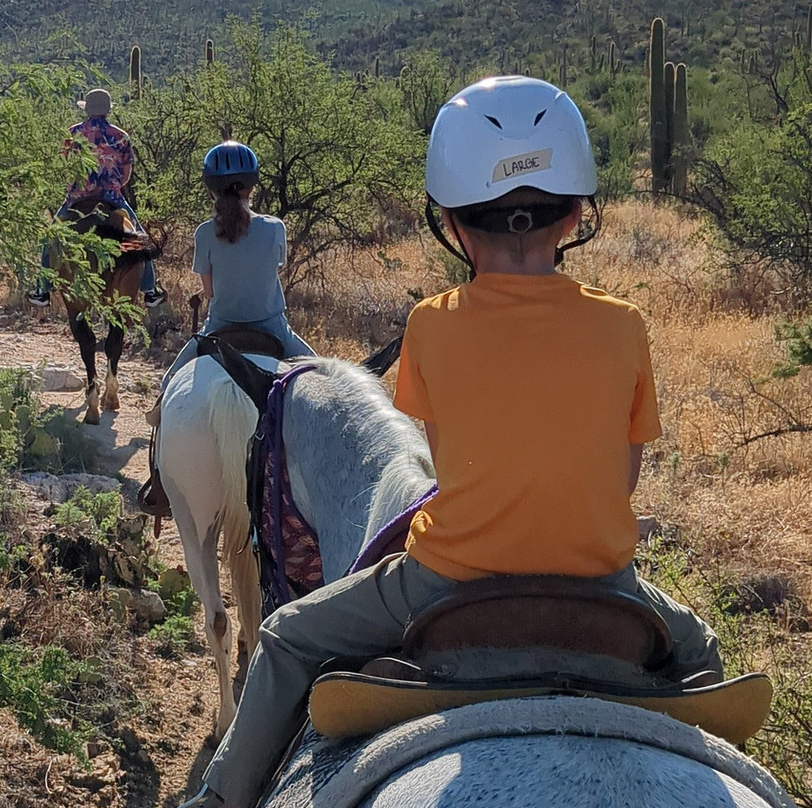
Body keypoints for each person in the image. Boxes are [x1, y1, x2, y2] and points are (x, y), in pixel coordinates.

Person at [179, 76, 722, 808]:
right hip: (605, 582)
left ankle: (218, 800)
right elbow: (620, 479)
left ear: (453, 223)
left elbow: (444, 461)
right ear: (572, 218)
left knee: (284, 636)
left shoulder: (432, 323)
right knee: (703, 652)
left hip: (445, 580)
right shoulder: (625, 324)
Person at [160, 139, 314, 386]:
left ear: (211, 189)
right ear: (251, 187)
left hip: (220, 326)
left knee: (169, 383)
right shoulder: (275, 228)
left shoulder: (204, 232)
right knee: (321, 377)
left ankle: (157, 420)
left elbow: (210, 292)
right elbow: (265, 273)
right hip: (272, 327)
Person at [27, 88, 165, 308]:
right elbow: (126, 172)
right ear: (108, 110)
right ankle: (150, 290)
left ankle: (43, 289)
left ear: (87, 109)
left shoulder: (72, 134)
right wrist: (114, 186)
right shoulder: (121, 137)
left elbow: (65, 165)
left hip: (77, 198)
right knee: (139, 240)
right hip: (112, 198)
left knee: (50, 238)